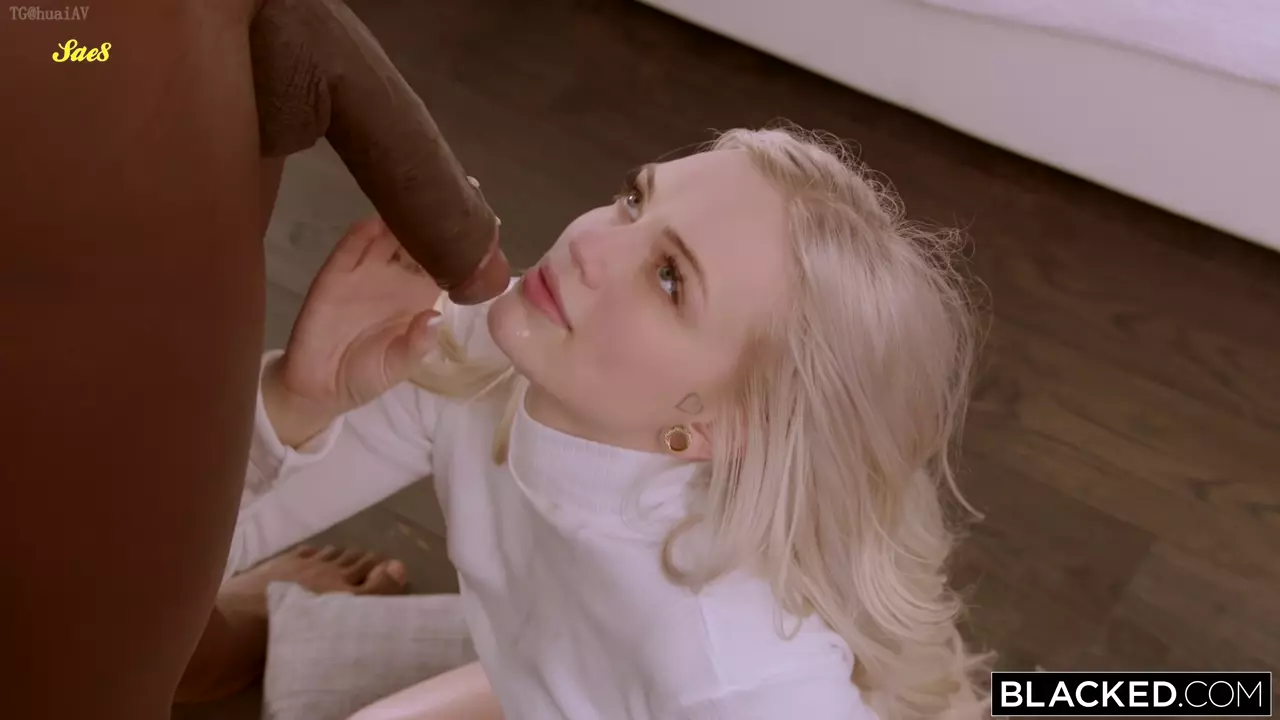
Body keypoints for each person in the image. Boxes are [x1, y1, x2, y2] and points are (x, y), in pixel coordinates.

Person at [209, 124, 993, 719]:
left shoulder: (734, 670)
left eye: (669, 278)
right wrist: (297, 400)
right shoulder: (485, 354)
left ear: (722, 427)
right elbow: (166, 560)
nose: (589, 242)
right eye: (635, 200)